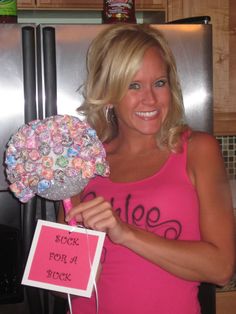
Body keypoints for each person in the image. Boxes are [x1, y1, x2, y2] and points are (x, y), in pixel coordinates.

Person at [57, 24, 235, 314]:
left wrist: (125, 232)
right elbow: (67, 284)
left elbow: (221, 268)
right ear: (110, 94)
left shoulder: (197, 151)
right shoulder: (84, 162)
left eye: (159, 83)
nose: (150, 99)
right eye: (133, 85)